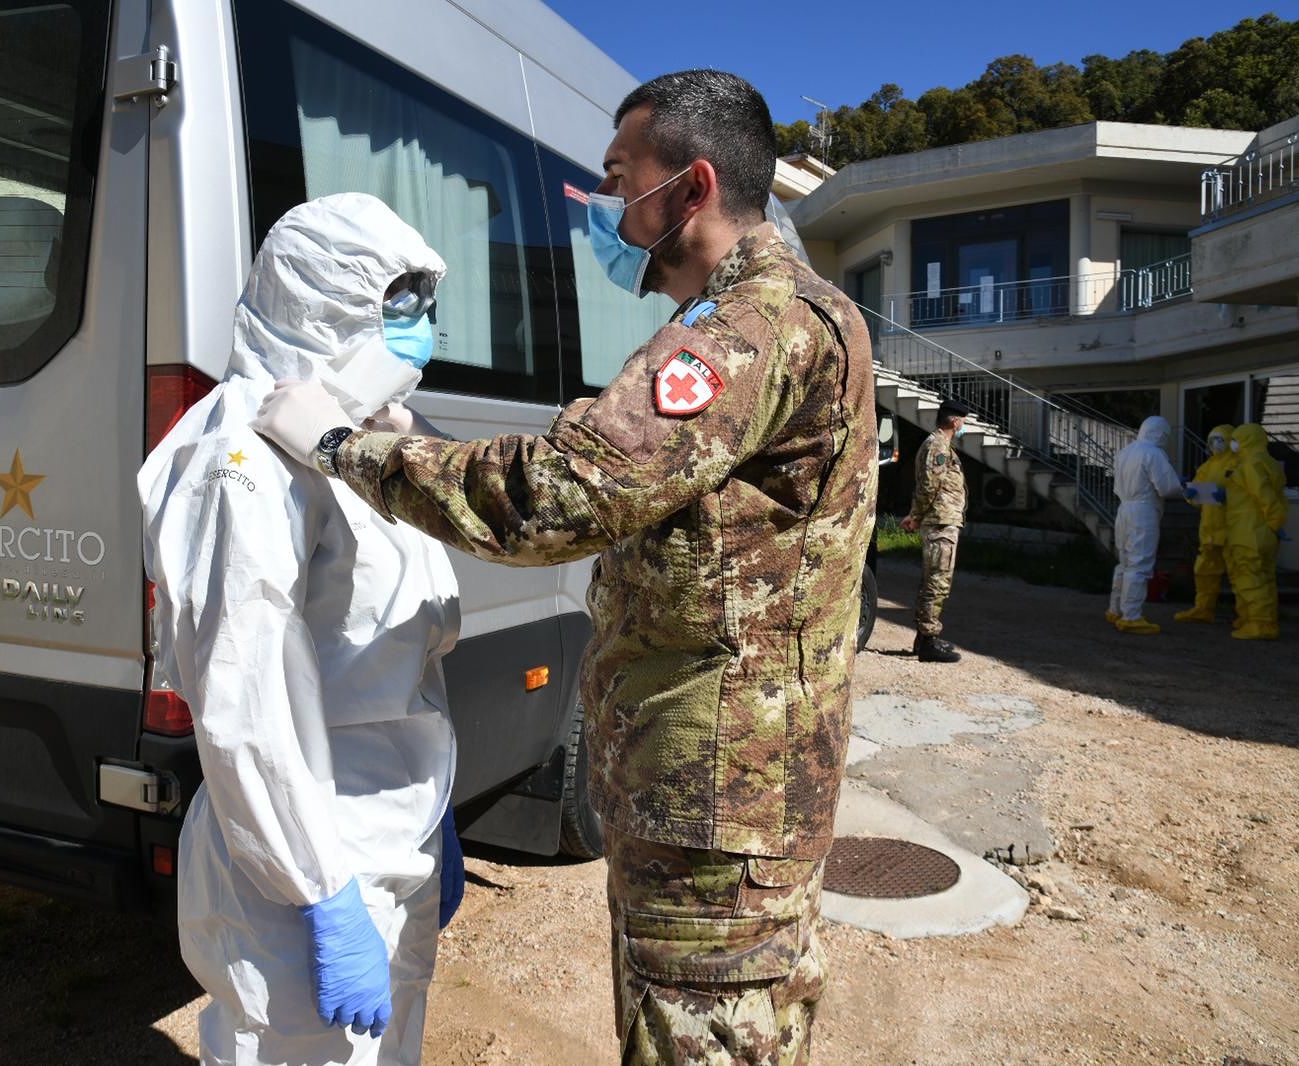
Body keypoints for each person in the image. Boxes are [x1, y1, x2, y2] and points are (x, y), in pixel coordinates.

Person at [253, 70, 876, 1065]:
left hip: (715, 800)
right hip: (726, 789)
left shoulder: (747, 330)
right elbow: (638, 477)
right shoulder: (798, 314)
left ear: (691, 190)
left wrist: (346, 449)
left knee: (700, 1039)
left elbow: (563, 495)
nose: (601, 204)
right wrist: (432, 442)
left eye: (619, 177)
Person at [140, 193, 467, 1066]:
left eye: (425, 305)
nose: (420, 328)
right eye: (395, 306)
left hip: (392, 834)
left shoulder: (360, 444)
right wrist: (320, 893)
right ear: (325, 304)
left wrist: (435, 809)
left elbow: (403, 646)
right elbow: (246, 701)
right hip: (301, 868)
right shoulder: (242, 460)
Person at [901, 399, 969, 663]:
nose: (963, 425)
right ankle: (929, 641)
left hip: (943, 520)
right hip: (940, 522)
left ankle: (923, 638)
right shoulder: (937, 445)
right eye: (962, 421)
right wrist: (916, 516)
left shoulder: (939, 445)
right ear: (955, 421)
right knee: (937, 582)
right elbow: (929, 485)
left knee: (934, 579)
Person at [1106, 415, 1186, 634]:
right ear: (1160, 434)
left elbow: (1116, 486)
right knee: (1140, 563)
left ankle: (1115, 610)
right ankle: (1132, 616)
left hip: (1124, 509)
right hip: (1144, 511)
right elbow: (1167, 488)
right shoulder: (1154, 453)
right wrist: (1185, 486)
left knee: (1124, 562)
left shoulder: (1125, 452)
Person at [1223, 422, 1288, 640]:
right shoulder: (1270, 463)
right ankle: (1260, 620)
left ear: (1246, 440)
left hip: (1249, 530)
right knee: (1266, 579)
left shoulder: (1250, 464)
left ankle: (1258, 624)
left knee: (1249, 577)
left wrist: (1274, 520)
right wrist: (1276, 526)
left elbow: (1264, 496)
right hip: (1265, 531)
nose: (1232, 443)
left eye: (1236, 439)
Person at [1174, 424, 1234, 624]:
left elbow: (1249, 493)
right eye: (1213, 439)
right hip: (1209, 527)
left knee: (1240, 573)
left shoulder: (1238, 464)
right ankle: (1203, 609)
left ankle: (1250, 616)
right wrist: (1190, 494)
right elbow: (1198, 497)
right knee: (1205, 571)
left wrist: (1230, 497)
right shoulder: (1207, 466)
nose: (1216, 443)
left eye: (1221, 439)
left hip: (1233, 527)